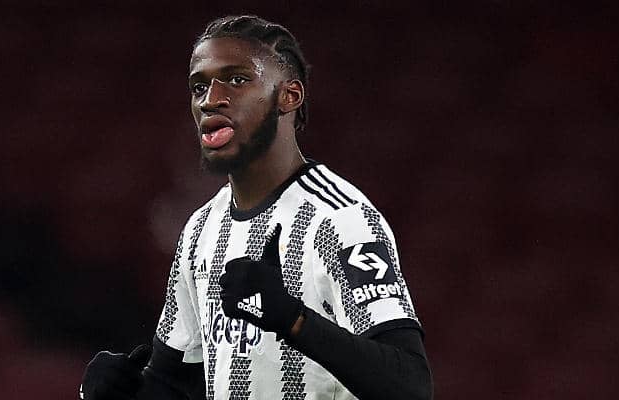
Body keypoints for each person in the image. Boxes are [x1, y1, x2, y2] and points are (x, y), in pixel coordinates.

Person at [81, 15, 433, 400]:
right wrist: (124, 391)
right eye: (199, 86)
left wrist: (293, 319)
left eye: (236, 80)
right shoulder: (200, 229)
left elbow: (410, 386)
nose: (210, 99)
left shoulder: (339, 218)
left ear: (289, 96)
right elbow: (175, 382)